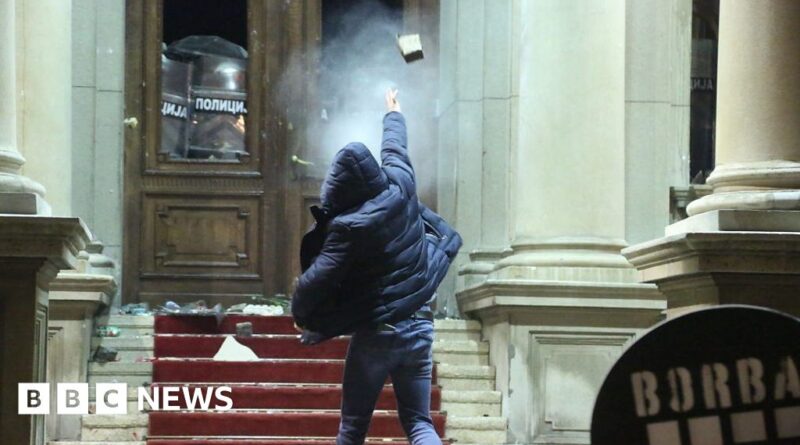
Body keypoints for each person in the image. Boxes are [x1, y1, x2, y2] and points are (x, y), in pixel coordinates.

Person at [291, 88, 462, 445]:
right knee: (419, 422)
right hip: (419, 326)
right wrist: (393, 112)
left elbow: (317, 281)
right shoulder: (400, 182)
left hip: (377, 333)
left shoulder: (347, 226)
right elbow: (395, 147)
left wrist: (304, 314)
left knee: (353, 427)